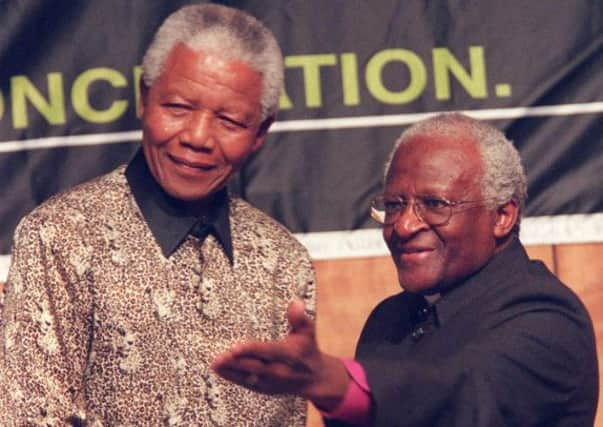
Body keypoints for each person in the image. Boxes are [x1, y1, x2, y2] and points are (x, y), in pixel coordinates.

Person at [0, 4, 315, 425]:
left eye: (229, 120)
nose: (198, 137)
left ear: (260, 132)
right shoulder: (61, 237)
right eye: (179, 107)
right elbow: (28, 416)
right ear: (144, 98)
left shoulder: (284, 263)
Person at [212, 113, 599, 426]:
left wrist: (336, 382)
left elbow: (466, 393)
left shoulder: (547, 317)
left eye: (435, 204)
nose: (404, 226)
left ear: (502, 216)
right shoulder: (391, 319)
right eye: (394, 205)